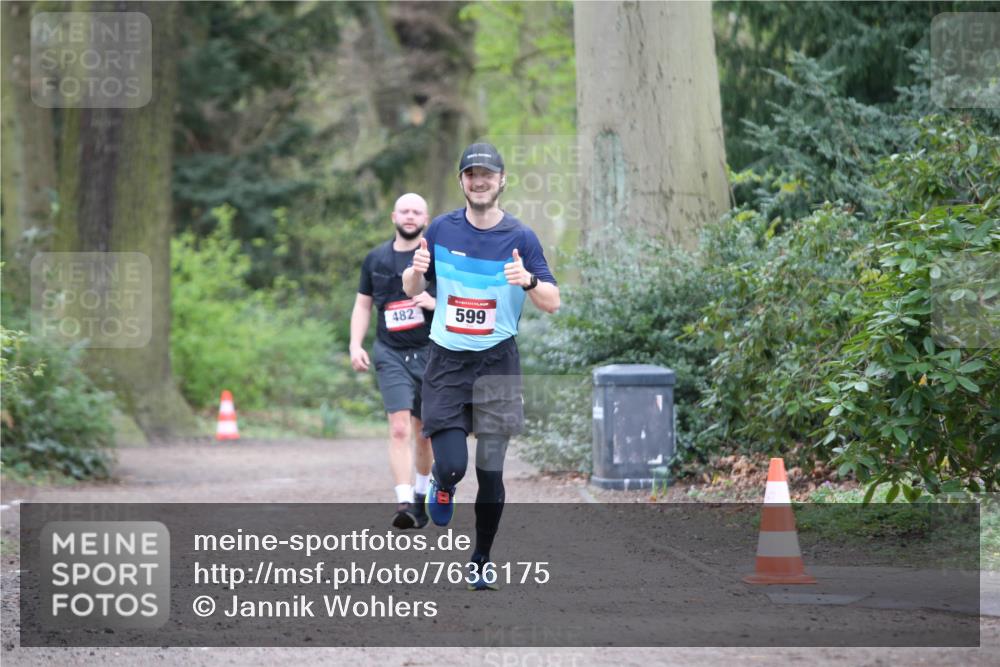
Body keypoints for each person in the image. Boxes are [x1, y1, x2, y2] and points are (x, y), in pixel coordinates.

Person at [402, 142, 560, 590]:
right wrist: (415, 272)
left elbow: (553, 301)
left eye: (487, 174)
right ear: (461, 182)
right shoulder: (441, 230)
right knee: (453, 464)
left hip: (497, 363)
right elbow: (412, 282)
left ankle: (481, 558)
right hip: (447, 363)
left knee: (491, 469)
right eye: (471, 174)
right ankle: (443, 483)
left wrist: (528, 280)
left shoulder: (521, 238)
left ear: (502, 180)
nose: (479, 180)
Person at [350, 192, 436, 530]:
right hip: (390, 353)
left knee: (424, 433)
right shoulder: (375, 259)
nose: (410, 216)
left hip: (430, 352)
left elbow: (451, 300)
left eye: (417, 211)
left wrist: (433, 301)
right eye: (405, 211)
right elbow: (362, 305)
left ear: (425, 219)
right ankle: (403, 502)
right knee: (399, 427)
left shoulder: (434, 259)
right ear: (393, 216)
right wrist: (355, 344)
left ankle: (420, 496)